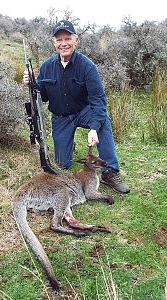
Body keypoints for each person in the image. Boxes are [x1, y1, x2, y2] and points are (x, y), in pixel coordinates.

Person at [23, 20, 130, 194]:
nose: (63, 43)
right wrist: (32, 84)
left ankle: (110, 172)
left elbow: (98, 101)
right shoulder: (47, 67)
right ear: (54, 42)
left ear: (76, 40)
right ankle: (68, 144)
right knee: (62, 163)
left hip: (83, 112)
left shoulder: (87, 66)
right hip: (60, 118)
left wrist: (94, 128)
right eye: (59, 40)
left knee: (103, 120)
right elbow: (42, 96)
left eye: (67, 38)